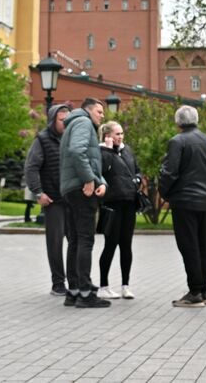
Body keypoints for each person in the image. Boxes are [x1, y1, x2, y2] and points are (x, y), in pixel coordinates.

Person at [158, 104, 206, 307]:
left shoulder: (177, 142)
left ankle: (195, 291)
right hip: (204, 201)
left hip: (184, 201)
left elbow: (170, 172)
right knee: (202, 245)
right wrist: (205, 189)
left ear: (178, 122)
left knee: (189, 246)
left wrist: (165, 193)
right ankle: (203, 290)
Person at [59, 96, 109, 308]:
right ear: (89, 110)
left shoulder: (74, 124)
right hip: (81, 189)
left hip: (71, 188)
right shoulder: (83, 123)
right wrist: (89, 179)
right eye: (99, 111)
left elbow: (86, 158)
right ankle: (86, 294)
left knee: (75, 241)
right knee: (85, 240)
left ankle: (74, 291)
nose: (102, 115)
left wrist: (100, 180)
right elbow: (77, 151)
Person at [23, 102, 72, 296]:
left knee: (76, 242)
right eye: (62, 120)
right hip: (53, 201)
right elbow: (31, 167)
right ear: (53, 121)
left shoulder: (72, 139)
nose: (66, 124)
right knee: (55, 243)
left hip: (72, 199)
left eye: (68, 120)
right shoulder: (42, 140)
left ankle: (76, 281)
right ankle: (58, 283)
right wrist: (38, 192)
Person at [97, 119, 141, 299]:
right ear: (108, 135)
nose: (120, 137)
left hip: (129, 202)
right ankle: (103, 285)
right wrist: (107, 149)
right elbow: (102, 169)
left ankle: (125, 285)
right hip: (113, 203)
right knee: (110, 244)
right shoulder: (101, 151)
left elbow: (136, 169)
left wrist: (138, 179)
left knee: (126, 245)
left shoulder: (127, 150)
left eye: (122, 133)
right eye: (117, 134)